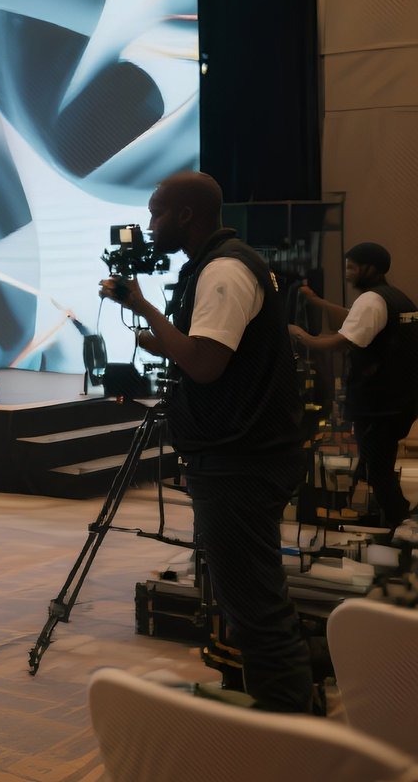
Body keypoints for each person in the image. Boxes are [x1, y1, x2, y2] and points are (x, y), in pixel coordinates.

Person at [102, 170, 312, 712]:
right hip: (241, 454)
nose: (149, 225)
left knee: (256, 609)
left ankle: (295, 736)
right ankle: (290, 720)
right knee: (251, 599)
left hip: (240, 461)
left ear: (185, 215)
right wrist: (156, 327)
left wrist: (148, 310)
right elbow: (207, 353)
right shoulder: (225, 263)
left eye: (156, 213)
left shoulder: (222, 271)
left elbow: (205, 363)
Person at [291, 242, 417, 532]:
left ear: (369, 268)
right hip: (401, 399)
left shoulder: (372, 300)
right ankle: (358, 505)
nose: (347, 274)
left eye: (351, 267)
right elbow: (354, 317)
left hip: (379, 402)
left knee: (378, 465)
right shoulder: (397, 298)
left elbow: (339, 343)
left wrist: (300, 336)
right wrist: (317, 301)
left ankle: (402, 522)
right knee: (373, 456)